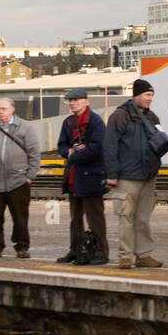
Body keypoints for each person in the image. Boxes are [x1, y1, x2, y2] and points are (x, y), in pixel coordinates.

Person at [105, 79, 164, 269]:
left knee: (143, 218)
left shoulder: (153, 117)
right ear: (136, 95)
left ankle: (144, 254)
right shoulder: (120, 116)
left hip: (147, 176)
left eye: (152, 96)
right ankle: (125, 256)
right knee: (126, 217)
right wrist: (112, 174)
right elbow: (110, 146)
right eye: (147, 95)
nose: (150, 99)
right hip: (126, 177)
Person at [0, 97, 41, 260]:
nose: (0, 112)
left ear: (12, 109)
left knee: (20, 218)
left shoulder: (25, 128)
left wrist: (29, 176)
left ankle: (22, 247)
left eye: (3, 109)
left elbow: (34, 155)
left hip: (18, 182)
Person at [56, 89, 109, 265]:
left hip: (91, 177)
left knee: (95, 217)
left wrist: (73, 155)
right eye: (70, 100)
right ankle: (75, 250)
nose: (72, 103)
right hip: (74, 177)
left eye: (76, 99)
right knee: (75, 218)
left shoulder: (96, 122)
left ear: (86, 101)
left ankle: (101, 252)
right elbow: (62, 145)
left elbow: (97, 149)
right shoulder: (68, 122)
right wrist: (69, 151)